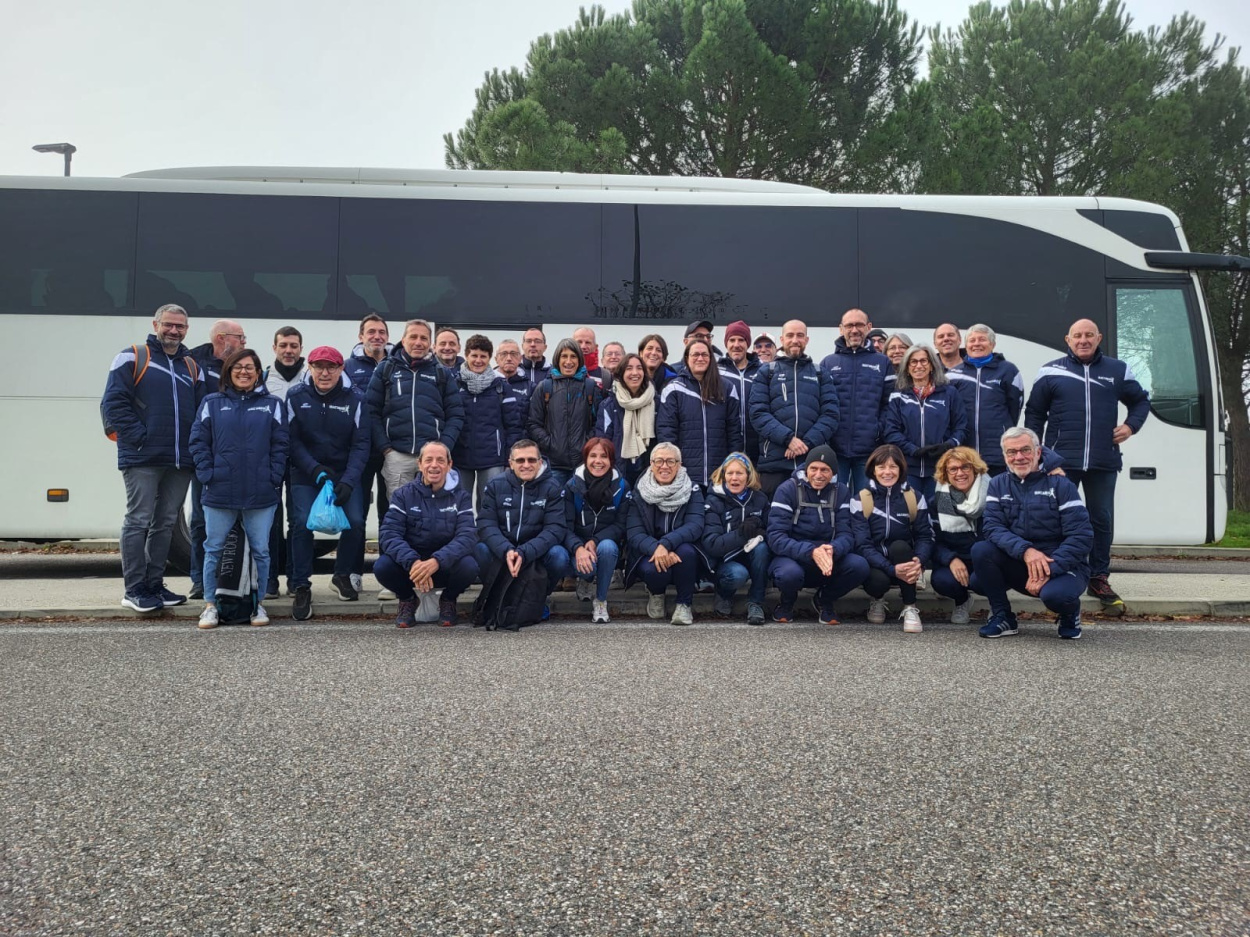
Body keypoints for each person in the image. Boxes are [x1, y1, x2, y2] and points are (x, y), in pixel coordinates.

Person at [1024, 318, 1150, 615]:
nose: (1083, 340)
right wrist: (1037, 454)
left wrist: (1131, 426)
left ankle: (1098, 576)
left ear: (1098, 338)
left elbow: (1141, 402)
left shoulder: (1117, 370)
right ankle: (1057, 570)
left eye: (1089, 335)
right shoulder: (1050, 370)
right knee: (1056, 519)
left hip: (1103, 460)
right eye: (1077, 335)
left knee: (1100, 519)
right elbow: (1034, 414)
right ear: (1068, 340)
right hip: (1059, 462)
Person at [101, 302, 203, 613]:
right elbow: (113, 403)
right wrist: (140, 437)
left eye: (180, 326)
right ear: (155, 324)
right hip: (142, 457)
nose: (174, 330)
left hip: (180, 460)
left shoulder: (191, 366)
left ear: (186, 330)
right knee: (138, 520)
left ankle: (155, 585)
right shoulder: (133, 356)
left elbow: (200, 412)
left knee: (165, 523)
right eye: (168, 324)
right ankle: (134, 589)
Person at [189, 348, 288, 630]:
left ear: (258, 373)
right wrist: (207, 474)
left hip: (261, 492)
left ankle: (258, 604)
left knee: (261, 551)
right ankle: (210, 606)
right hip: (220, 490)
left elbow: (281, 444)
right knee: (213, 550)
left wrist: (273, 477)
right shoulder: (211, 402)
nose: (244, 372)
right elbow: (198, 441)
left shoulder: (272, 404)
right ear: (228, 372)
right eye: (238, 367)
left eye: (250, 367)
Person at [972, 427, 1094, 640]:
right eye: (1011, 452)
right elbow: (992, 528)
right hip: (1022, 560)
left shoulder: (1061, 484)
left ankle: (1070, 612)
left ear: (1038, 452)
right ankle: (1003, 616)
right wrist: (1026, 551)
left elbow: (1081, 536)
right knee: (980, 555)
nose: (1019, 457)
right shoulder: (998, 484)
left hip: (1062, 564)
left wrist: (1048, 569)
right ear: (1005, 456)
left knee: (1057, 596)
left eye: (1025, 450)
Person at [284, 345, 371, 616]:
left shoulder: (356, 398)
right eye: (318, 367)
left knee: (356, 522)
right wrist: (314, 470)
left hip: (344, 474)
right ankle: (301, 584)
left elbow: (361, 444)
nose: (324, 373)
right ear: (309, 368)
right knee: (301, 523)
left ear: (341, 368)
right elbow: (292, 441)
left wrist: (349, 481)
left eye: (331, 367)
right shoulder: (295, 396)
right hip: (306, 473)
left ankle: (341, 574)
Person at [375, 441, 479, 629]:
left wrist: (437, 561)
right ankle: (407, 599)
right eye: (429, 460)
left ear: (449, 465)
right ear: (420, 464)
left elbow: (467, 536)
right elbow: (389, 534)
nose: (434, 465)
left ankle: (448, 600)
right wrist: (413, 562)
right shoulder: (402, 495)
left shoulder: (461, 497)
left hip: (444, 565)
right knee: (382, 566)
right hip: (413, 568)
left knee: (470, 566)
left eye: (440, 460)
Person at [765, 445, 870, 624]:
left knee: (859, 566)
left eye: (824, 470)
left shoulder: (841, 491)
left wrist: (833, 549)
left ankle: (824, 600)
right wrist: (810, 551)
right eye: (813, 469)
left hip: (827, 557)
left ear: (833, 472)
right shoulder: (787, 489)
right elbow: (775, 537)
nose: (818, 475)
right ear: (806, 469)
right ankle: (787, 603)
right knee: (789, 574)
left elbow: (846, 533)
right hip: (793, 556)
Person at [366, 318, 465, 502]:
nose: (418, 342)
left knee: (434, 511)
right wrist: (386, 449)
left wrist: (443, 447)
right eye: (413, 337)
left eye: (423, 338)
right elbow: (370, 412)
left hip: (432, 459)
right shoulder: (385, 369)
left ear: (430, 343)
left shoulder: (441, 373)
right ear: (403, 340)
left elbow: (456, 415)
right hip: (397, 456)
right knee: (399, 510)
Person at [185, 319, 247, 599]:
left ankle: (234, 581)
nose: (244, 342)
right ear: (222, 338)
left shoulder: (245, 366)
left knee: (237, 522)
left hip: (241, 460)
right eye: (240, 337)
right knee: (202, 522)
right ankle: (200, 580)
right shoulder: (194, 366)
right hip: (209, 460)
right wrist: (201, 460)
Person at [476, 439, 569, 616]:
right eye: (520, 460)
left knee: (559, 556)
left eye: (531, 460)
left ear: (540, 462)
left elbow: (555, 529)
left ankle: (539, 598)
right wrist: (506, 550)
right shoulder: (495, 484)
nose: (526, 465)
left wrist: (525, 552)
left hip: (535, 553)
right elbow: (486, 524)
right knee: (480, 549)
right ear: (511, 463)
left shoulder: (553, 487)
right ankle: (498, 596)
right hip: (504, 552)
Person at [749, 319, 840, 495]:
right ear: (782, 340)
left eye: (800, 335)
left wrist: (805, 443)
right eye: (790, 335)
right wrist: (788, 439)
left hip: (812, 464)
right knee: (774, 512)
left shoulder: (820, 373)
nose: (795, 340)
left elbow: (831, 415)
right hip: (774, 464)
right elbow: (758, 413)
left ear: (806, 340)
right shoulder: (767, 372)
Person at [854, 444, 933, 633]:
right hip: (876, 563)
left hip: (904, 560)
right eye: (881, 467)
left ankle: (910, 607)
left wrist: (919, 560)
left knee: (900, 547)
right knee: (877, 580)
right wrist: (890, 569)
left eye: (893, 466)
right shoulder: (861, 499)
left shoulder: (914, 497)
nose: (887, 472)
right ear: (873, 470)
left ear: (901, 468)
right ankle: (877, 600)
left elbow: (925, 535)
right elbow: (862, 544)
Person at [624, 442, 706, 626]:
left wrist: (665, 544)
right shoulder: (639, 491)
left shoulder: (692, 489)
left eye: (670, 461)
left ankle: (684, 604)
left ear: (679, 464)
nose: (664, 466)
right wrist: (656, 548)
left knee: (687, 553)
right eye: (659, 461)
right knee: (654, 571)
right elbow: (635, 533)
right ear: (651, 464)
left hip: (680, 548)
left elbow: (695, 525)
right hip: (649, 551)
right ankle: (656, 593)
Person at [820, 307, 894, 492]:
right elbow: (821, 404)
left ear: (868, 327)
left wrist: (877, 431)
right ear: (841, 329)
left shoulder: (882, 362)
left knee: (866, 502)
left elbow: (890, 404)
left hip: (869, 450)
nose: (854, 330)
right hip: (835, 450)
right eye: (849, 325)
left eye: (859, 325)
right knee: (835, 501)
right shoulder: (828, 363)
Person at [343, 313, 392, 592]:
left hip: (390, 450)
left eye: (381, 332)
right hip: (358, 452)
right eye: (371, 332)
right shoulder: (348, 367)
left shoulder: (396, 364)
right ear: (361, 336)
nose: (377, 336)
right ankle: (353, 573)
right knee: (356, 515)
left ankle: (388, 574)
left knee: (390, 514)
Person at [883, 343, 968, 502]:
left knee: (941, 511)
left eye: (923, 361)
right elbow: (891, 431)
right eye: (913, 362)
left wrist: (948, 445)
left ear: (932, 365)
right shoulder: (898, 395)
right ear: (907, 368)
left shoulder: (949, 392)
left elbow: (961, 427)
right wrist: (913, 450)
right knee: (911, 510)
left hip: (941, 468)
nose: (918, 366)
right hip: (909, 468)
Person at [560, 437, 630, 623]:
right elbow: (564, 526)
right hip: (577, 546)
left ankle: (600, 600)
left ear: (611, 460)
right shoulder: (572, 486)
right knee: (584, 568)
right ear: (585, 458)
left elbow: (621, 525)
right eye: (593, 456)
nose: (598, 461)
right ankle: (586, 579)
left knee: (608, 547)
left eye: (604, 456)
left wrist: (595, 541)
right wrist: (578, 548)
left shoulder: (622, 486)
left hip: (604, 545)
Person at [658, 339, 742, 487]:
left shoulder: (727, 388)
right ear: (687, 358)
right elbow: (667, 431)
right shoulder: (674, 389)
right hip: (685, 475)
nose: (700, 358)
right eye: (695, 354)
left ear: (711, 358)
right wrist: (673, 464)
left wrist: (731, 464)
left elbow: (734, 431)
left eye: (705, 354)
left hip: (718, 474)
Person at [262, 325, 307, 599]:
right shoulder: (263, 379)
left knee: (299, 522)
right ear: (274, 348)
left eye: (293, 346)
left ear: (301, 348)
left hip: (302, 461)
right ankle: (269, 579)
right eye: (283, 345)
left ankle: (296, 579)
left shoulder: (311, 378)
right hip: (270, 459)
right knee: (270, 521)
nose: (288, 351)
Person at [453, 334, 525, 507]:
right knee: (459, 505)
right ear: (466, 355)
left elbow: (513, 426)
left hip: (493, 459)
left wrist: (509, 458)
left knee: (490, 506)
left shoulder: (501, 387)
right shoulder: (454, 385)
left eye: (483, 356)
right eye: (474, 355)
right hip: (460, 457)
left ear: (490, 358)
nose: (478, 360)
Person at [945, 324, 1024, 476]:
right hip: (964, 453)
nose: (976, 344)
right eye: (972, 340)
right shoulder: (953, 374)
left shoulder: (1008, 370)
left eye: (982, 339)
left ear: (992, 344)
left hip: (997, 453)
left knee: (997, 490)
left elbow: (1015, 408)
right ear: (966, 345)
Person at [703, 453, 771, 626]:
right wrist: (743, 533)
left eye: (739, 473)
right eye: (730, 473)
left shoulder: (760, 499)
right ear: (723, 475)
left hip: (753, 557)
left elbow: (772, 530)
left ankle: (756, 602)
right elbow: (712, 544)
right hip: (726, 560)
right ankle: (724, 594)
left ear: (748, 475)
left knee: (762, 548)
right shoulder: (713, 500)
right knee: (738, 574)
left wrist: (760, 528)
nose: (734, 478)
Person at [526, 338, 603, 490]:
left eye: (573, 356)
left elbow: (598, 423)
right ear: (557, 359)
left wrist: (586, 443)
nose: (568, 361)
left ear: (579, 360)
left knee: (580, 503)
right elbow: (533, 423)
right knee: (555, 503)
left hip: (583, 463)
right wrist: (550, 444)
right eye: (564, 356)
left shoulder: (590, 387)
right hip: (554, 465)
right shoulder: (545, 387)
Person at [929, 446, 991, 625]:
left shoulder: (993, 496)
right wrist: (950, 559)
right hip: (958, 558)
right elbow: (933, 541)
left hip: (987, 558)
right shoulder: (939, 501)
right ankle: (962, 601)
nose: (960, 473)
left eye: (965, 467)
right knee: (942, 580)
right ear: (945, 474)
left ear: (975, 469)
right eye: (953, 469)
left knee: (983, 579)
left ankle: (998, 604)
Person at [600, 352, 658, 486]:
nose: (635, 373)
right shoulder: (609, 405)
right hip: (619, 470)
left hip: (649, 470)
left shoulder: (657, 402)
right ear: (621, 373)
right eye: (629, 368)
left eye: (639, 368)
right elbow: (603, 441)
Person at [717, 320, 762, 462]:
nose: (736, 345)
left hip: (758, 450)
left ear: (748, 343)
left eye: (741, 340)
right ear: (726, 343)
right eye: (732, 340)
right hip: (725, 448)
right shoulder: (716, 371)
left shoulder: (763, 371)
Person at [494, 338, 530, 404]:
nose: (509, 358)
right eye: (504, 354)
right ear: (496, 359)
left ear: (520, 358)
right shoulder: (487, 384)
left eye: (513, 354)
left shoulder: (530, 387)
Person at [519, 328, 551, 393]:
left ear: (545, 347)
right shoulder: (514, 371)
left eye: (537, 341)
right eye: (528, 341)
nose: (533, 344)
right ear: (522, 346)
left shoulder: (553, 372)